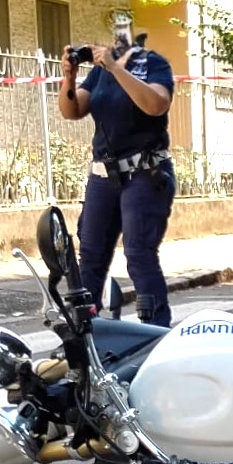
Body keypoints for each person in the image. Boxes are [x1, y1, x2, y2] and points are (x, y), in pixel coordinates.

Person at [57, 29, 177, 327]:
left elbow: (155, 104)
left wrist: (115, 67)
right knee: (91, 255)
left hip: (145, 173)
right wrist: (69, 77)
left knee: (138, 253)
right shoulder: (99, 75)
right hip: (104, 175)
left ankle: (155, 330)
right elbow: (72, 110)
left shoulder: (153, 65)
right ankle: (86, 332)